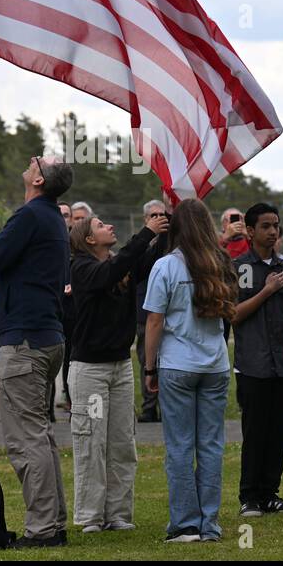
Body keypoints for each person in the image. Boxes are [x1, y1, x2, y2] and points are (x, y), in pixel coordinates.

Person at [0, 156, 73, 548]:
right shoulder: (51, 218)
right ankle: (53, 523)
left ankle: (42, 530)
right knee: (41, 436)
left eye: (36, 161)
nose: (29, 161)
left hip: (24, 342)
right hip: (47, 337)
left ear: (39, 179)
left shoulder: (29, 217)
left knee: (26, 440)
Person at [67, 210, 167, 532]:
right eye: (100, 225)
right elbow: (112, 271)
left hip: (120, 367)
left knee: (123, 444)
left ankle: (118, 515)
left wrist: (165, 226)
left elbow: (146, 260)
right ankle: (91, 516)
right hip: (90, 370)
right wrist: (144, 232)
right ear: (88, 239)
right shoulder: (81, 268)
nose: (109, 225)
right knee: (92, 444)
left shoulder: (119, 263)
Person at [142, 198, 235, 543]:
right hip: (215, 363)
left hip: (178, 363)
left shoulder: (166, 266)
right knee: (211, 446)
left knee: (180, 446)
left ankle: (185, 524)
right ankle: (209, 524)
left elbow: (154, 320)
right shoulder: (221, 263)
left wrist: (150, 368)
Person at [233, 203, 283, 517]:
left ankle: (270, 492)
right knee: (255, 431)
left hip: (281, 362)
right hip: (253, 363)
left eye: (276, 225)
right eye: (265, 226)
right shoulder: (238, 267)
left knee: (278, 431)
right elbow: (233, 315)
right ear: (250, 231)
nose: (273, 231)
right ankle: (249, 496)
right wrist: (266, 290)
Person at [135, 200, 170, 423]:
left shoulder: (171, 247)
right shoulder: (140, 246)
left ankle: (168, 406)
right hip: (145, 313)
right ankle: (149, 407)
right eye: (153, 216)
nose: (158, 220)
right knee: (147, 361)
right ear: (146, 220)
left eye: (162, 216)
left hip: (170, 313)